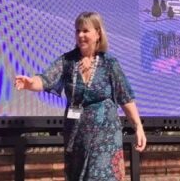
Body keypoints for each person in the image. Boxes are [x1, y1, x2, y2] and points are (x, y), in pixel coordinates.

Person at [15, 12, 146, 180]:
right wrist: (30, 83)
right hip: (76, 136)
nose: (80, 35)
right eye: (77, 31)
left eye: (85, 31)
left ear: (98, 33)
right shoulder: (67, 61)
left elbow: (125, 97)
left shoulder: (109, 63)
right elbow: (46, 79)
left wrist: (138, 127)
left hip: (105, 137)